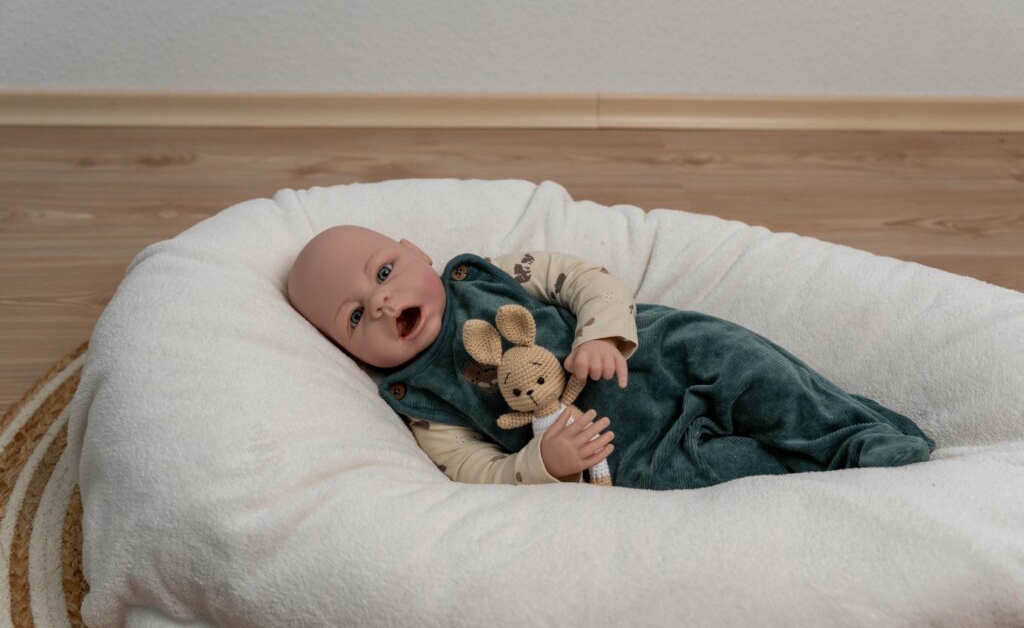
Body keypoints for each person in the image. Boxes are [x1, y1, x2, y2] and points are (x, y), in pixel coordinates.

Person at [286, 225, 934, 489]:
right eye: (352, 315)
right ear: (346, 350)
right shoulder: (419, 403)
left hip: (659, 350)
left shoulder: (486, 272)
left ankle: (857, 435)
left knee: (757, 374)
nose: (379, 301)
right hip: (626, 452)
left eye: (385, 269)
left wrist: (599, 333)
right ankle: (831, 476)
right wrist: (540, 462)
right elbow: (472, 468)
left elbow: (585, 279)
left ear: (416, 251)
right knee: (730, 471)